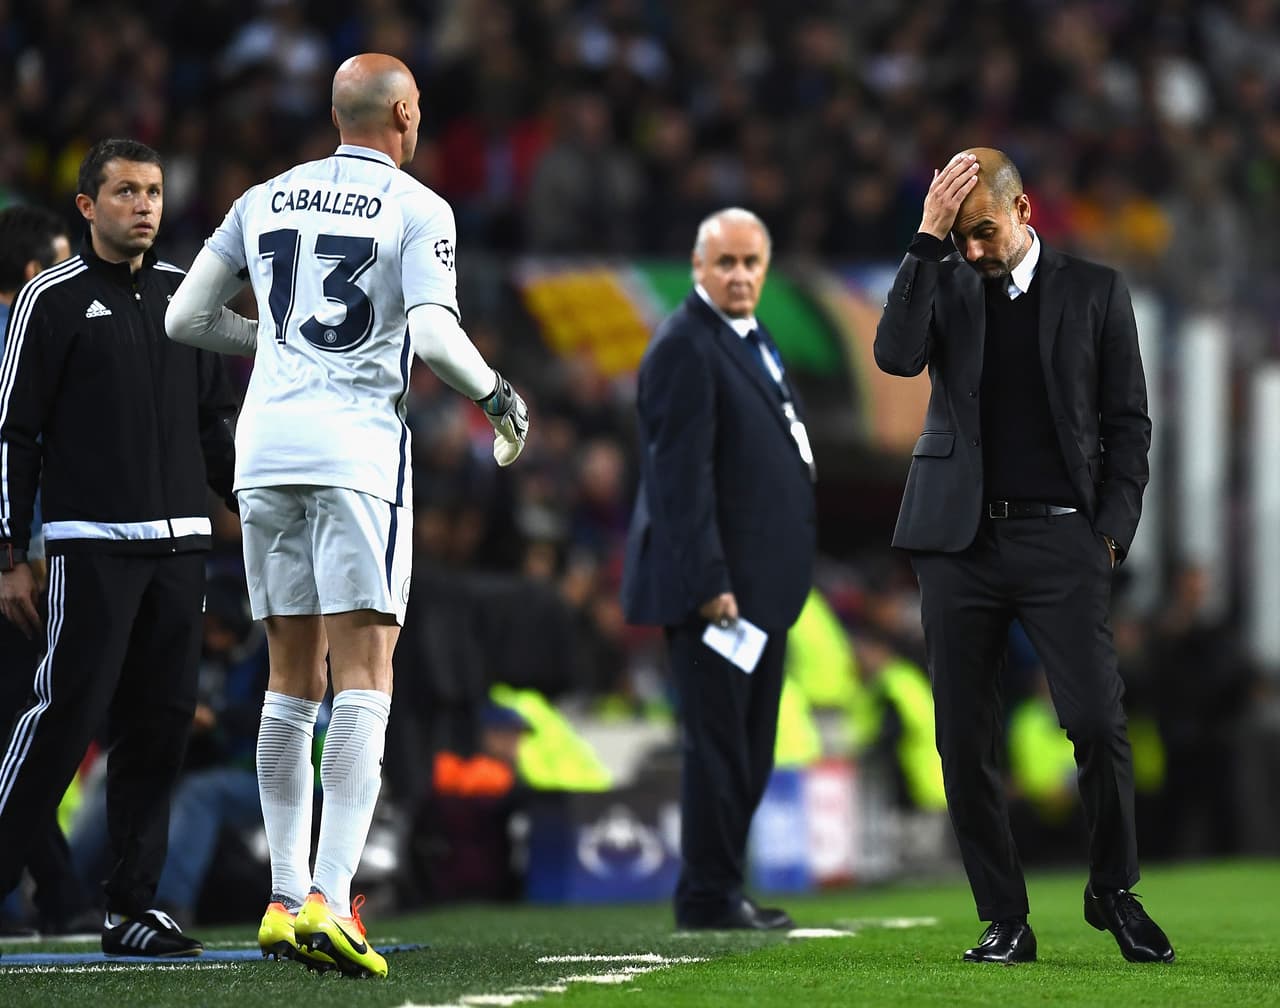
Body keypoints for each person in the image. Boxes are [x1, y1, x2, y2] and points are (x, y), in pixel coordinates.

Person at [166, 52, 529, 979]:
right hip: (354, 454)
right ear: (404, 115)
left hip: (264, 451)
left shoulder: (264, 196)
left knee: (291, 678)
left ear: (339, 113)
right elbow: (438, 337)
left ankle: (284, 901)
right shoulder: (418, 207)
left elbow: (184, 318)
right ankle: (332, 897)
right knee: (365, 670)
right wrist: (498, 398)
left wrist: (275, 345)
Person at [874, 147, 1174, 965]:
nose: (974, 250)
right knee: (961, 740)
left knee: (1095, 722)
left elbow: (1129, 425)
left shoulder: (1096, 290)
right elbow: (895, 355)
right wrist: (928, 237)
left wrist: (1107, 534)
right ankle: (1003, 916)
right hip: (956, 544)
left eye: (982, 233)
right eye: (960, 235)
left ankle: (1113, 891)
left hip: (1062, 541)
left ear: (1024, 211)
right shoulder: (947, 274)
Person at [0, 138, 239, 957]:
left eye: (155, 192)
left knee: (163, 725)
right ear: (87, 206)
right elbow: (14, 435)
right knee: (63, 721)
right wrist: (8, 555)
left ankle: (132, 906)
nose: (144, 206)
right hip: (90, 551)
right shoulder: (50, 299)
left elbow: (213, 425)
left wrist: (246, 498)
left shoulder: (186, 300)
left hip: (181, 554)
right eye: (127, 191)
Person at [621, 207, 816, 930]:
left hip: (759, 592)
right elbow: (679, 482)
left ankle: (722, 885)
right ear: (698, 268)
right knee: (718, 751)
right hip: (715, 593)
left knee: (747, 751)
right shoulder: (684, 346)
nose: (739, 275)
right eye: (725, 263)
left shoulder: (751, 337)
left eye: (751, 263)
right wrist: (709, 583)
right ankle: (707, 896)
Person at [0, 203, 95, 938]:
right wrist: (18, 554)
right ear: (34, 274)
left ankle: (56, 891)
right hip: (18, 565)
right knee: (23, 726)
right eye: (63, 262)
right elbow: (17, 449)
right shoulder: (23, 338)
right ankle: (54, 892)